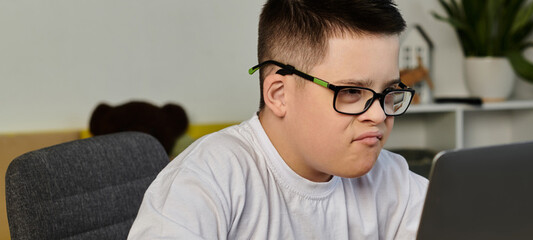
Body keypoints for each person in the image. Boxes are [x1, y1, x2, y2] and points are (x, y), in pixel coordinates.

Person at [127, 0, 428, 239]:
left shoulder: (391, 178)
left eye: (388, 91)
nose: (377, 115)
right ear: (279, 94)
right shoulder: (207, 180)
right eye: (351, 91)